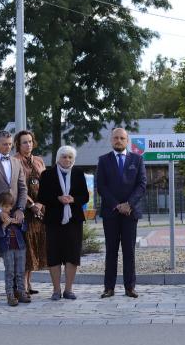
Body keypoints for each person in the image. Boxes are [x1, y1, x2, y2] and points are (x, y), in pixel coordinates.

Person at [96, 127, 147, 298]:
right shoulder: (103, 160)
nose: (118, 140)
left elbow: (142, 185)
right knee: (111, 251)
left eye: (122, 138)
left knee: (129, 251)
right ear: (111, 140)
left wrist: (129, 204)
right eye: (116, 138)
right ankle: (108, 288)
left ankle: (130, 287)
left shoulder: (137, 159)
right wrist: (117, 205)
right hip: (111, 212)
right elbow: (101, 186)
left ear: (127, 141)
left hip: (130, 213)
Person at [0, 130, 28, 304]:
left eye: (10, 144)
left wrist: (21, 209)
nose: (8, 147)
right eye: (4, 144)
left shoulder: (16, 162)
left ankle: (17, 290)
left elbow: (23, 188)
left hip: (15, 215)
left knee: (16, 253)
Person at [38, 145, 90, 301]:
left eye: (70, 157)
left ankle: (68, 289)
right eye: (64, 156)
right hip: (54, 220)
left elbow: (85, 196)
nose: (67, 160)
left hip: (74, 220)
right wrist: (58, 199)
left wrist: (73, 199)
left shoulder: (78, 173)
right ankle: (56, 290)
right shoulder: (47, 174)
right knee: (54, 254)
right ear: (58, 158)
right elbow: (41, 196)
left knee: (72, 255)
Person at [14, 130, 48, 296]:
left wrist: (41, 203)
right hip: (24, 209)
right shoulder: (15, 161)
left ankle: (29, 283)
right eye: (24, 142)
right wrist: (31, 204)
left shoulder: (39, 160)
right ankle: (22, 285)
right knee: (26, 247)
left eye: (30, 141)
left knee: (35, 246)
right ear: (18, 145)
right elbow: (17, 187)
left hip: (40, 210)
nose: (28, 145)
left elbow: (46, 183)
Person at [0, 192, 27, 306]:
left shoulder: (15, 215)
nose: (6, 209)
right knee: (10, 272)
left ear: (12, 206)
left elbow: (25, 228)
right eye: (4, 206)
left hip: (20, 247)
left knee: (20, 271)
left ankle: (21, 292)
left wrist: (19, 223)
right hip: (7, 248)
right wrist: (4, 225)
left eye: (8, 206)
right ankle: (10, 295)